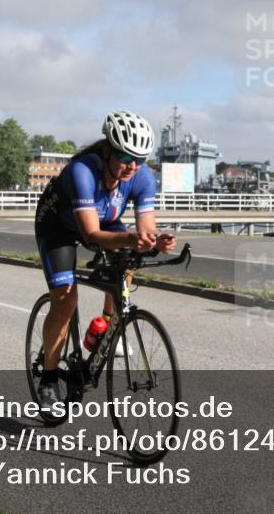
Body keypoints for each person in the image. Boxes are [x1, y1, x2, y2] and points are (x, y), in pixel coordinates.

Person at [33, 110, 175, 408]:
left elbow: (145, 228)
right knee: (66, 299)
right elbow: (91, 235)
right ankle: (48, 379)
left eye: (140, 158)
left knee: (128, 263)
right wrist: (132, 239)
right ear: (108, 150)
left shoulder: (143, 176)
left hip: (105, 223)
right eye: (125, 157)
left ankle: (105, 324)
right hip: (59, 226)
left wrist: (154, 241)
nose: (132, 166)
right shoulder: (82, 171)